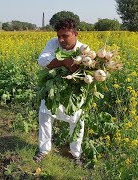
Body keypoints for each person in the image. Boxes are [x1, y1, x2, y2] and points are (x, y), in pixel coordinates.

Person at [33, 18, 85, 165]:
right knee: (45, 115)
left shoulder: (84, 50)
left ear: (76, 33)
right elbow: (42, 61)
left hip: (73, 91)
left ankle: (76, 154)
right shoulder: (53, 43)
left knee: (77, 120)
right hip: (52, 88)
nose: (61, 40)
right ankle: (44, 150)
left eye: (65, 36)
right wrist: (63, 61)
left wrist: (62, 64)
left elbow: (88, 72)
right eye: (59, 36)